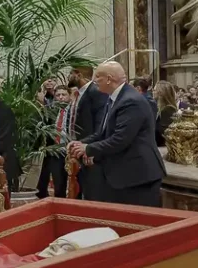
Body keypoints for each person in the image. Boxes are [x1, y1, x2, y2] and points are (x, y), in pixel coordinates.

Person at [68, 62, 166, 207]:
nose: (94, 81)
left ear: (109, 79)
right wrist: (82, 143)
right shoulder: (113, 98)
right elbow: (103, 132)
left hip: (139, 177)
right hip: (124, 175)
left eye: (98, 77)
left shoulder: (130, 101)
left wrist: (88, 149)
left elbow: (120, 139)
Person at [68, 70, 109, 200]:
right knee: (81, 189)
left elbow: (99, 126)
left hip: (90, 151)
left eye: (70, 73)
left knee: (92, 193)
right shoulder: (79, 93)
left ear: (78, 75)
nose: (68, 76)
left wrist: (89, 148)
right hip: (80, 148)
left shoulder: (95, 92)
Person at [154, 81, 178, 147]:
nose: (153, 92)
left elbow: (164, 133)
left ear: (161, 93)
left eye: (155, 90)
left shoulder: (168, 110)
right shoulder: (163, 108)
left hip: (163, 147)